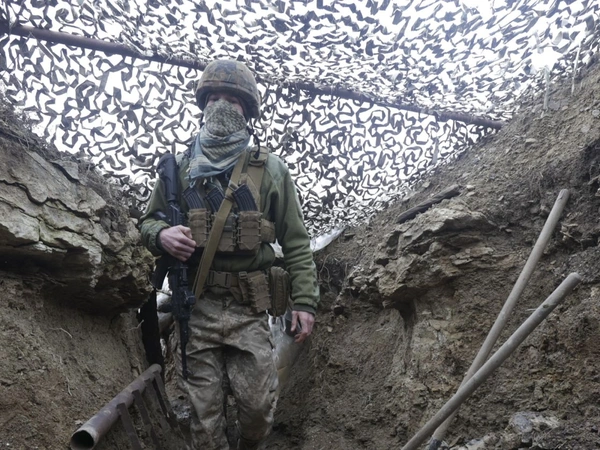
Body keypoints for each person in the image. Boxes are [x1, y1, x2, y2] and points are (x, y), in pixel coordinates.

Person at [139, 59, 319, 450]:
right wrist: (162, 235)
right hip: (196, 306)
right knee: (204, 420)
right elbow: (147, 222)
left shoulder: (271, 170)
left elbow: (295, 240)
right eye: (214, 97)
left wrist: (305, 301)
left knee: (257, 409)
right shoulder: (179, 169)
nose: (221, 105)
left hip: (248, 308)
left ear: (247, 110)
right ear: (203, 104)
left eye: (232, 100)